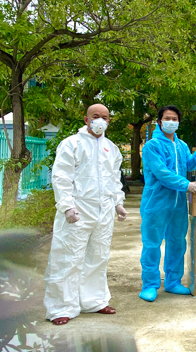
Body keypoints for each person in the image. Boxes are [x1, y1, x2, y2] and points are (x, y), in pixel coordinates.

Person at [44, 104, 128, 325]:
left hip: (104, 211)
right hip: (78, 210)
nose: (100, 120)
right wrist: (67, 206)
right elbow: (61, 177)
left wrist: (118, 203)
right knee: (68, 258)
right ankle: (61, 307)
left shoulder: (112, 148)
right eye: (95, 116)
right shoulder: (72, 144)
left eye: (105, 117)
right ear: (86, 119)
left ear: (109, 121)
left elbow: (114, 180)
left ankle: (94, 301)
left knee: (98, 257)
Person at [139, 105, 196, 302]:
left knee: (177, 243)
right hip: (156, 203)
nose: (171, 122)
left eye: (175, 119)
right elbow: (162, 173)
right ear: (159, 121)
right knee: (152, 244)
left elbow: (188, 165)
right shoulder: (152, 146)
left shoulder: (181, 145)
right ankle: (149, 285)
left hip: (178, 205)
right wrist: (186, 184)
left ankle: (173, 282)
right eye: (168, 118)